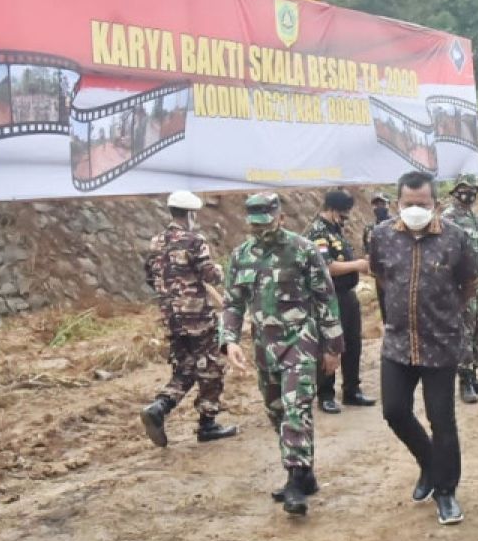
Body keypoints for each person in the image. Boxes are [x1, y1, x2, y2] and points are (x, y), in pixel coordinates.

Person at [221, 193, 345, 516]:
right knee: (276, 410)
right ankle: (305, 473)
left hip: (301, 340)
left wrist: (333, 347)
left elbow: (325, 298)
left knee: (295, 406)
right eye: (256, 225)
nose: (263, 230)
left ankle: (293, 481)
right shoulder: (241, 256)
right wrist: (230, 341)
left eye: (268, 223)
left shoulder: (303, 250)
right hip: (265, 346)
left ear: (281, 218)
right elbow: (233, 303)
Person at [368, 171, 478, 526]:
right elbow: (381, 277)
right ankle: (429, 463)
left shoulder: (455, 238)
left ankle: (446, 492)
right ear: (397, 203)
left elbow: (470, 281)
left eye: (423, 204)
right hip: (398, 342)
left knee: (441, 419)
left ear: (436, 204)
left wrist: (444, 312)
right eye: (408, 204)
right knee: (395, 411)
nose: (415, 210)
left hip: (440, 343)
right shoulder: (382, 236)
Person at [140, 190, 241, 447]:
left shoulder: (156, 242)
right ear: (191, 214)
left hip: (170, 317)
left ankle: (160, 407)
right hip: (197, 317)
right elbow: (211, 276)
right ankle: (208, 423)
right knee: (212, 367)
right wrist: (218, 269)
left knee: (184, 367)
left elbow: (150, 278)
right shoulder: (195, 241)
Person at [305, 190, 376, 414]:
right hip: (327, 298)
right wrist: (359, 265)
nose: (346, 218)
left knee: (353, 343)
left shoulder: (336, 231)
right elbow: (326, 266)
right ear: (333, 210)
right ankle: (325, 394)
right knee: (329, 345)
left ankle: (352, 390)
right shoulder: (318, 232)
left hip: (347, 295)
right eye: (344, 213)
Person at [442, 174, 478, 404]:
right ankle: (464, 381)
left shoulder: (473, 216)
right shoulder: (448, 217)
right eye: (465, 190)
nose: (470, 194)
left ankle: (473, 374)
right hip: (462, 284)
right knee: (464, 331)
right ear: (455, 192)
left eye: (474, 190)